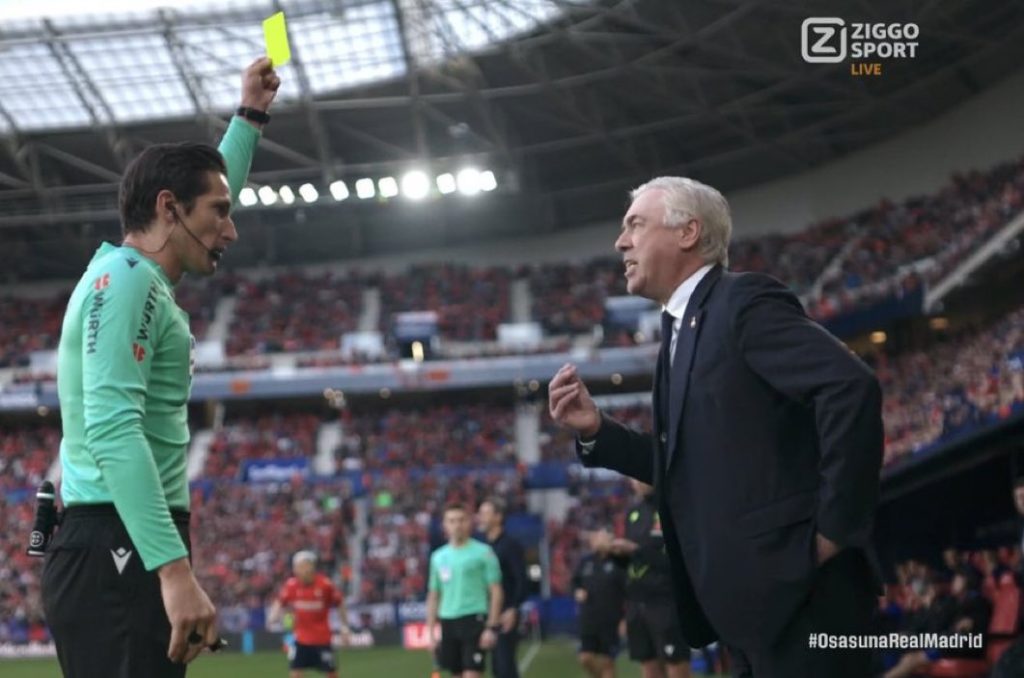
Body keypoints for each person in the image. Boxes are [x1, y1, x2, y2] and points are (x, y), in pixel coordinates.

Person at [548, 176, 884, 678]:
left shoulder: (742, 302)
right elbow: (684, 469)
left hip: (802, 601)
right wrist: (597, 429)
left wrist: (835, 529)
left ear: (687, 232)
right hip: (747, 614)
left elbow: (850, 388)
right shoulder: (677, 330)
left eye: (635, 225)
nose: (621, 242)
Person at [41, 58, 280, 677]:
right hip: (115, 543)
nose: (230, 230)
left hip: (123, 539)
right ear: (169, 208)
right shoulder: (125, 282)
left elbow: (211, 193)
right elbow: (112, 428)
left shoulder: (137, 278)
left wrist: (250, 116)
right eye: (219, 213)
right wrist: (172, 571)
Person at [605, 479, 690, 678]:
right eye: (633, 479)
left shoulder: (671, 508)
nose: (636, 482)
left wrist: (636, 550)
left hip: (665, 602)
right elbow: (632, 563)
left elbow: (678, 561)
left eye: (639, 477)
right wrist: (613, 552)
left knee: (676, 666)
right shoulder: (633, 513)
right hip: (637, 604)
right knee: (648, 668)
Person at [427, 502, 504, 678]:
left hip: (474, 619)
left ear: (469, 522)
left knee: (472, 674)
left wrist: (491, 627)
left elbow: (496, 591)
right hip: (448, 621)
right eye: (452, 521)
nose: (457, 525)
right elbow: (434, 595)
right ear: (444, 525)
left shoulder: (484, 552)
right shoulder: (438, 557)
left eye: (461, 520)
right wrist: (430, 633)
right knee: (456, 674)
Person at [268, 551, 351, 678]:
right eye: (297, 567)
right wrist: (273, 617)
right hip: (301, 640)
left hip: (322, 640)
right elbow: (279, 602)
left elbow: (340, 603)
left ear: (311, 567)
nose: (299, 571)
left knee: (331, 673)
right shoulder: (291, 585)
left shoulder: (325, 585)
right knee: (295, 673)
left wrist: (344, 627)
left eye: (302, 566)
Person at [476, 496, 528, 678]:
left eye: (485, 513)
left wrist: (513, 608)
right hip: (486, 613)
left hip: (505, 613)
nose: (480, 518)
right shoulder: (483, 547)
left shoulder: (509, 546)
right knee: (496, 668)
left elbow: (521, 580)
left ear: (498, 517)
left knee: (505, 666)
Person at [573, 529, 627, 678]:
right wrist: (577, 591)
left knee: (608, 662)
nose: (598, 541)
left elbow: (628, 592)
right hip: (588, 619)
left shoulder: (619, 562)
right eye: (597, 538)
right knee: (585, 658)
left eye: (602, 537)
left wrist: (624, 618)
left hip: (610, 621)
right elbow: (574, 582)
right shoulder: (586, 561)